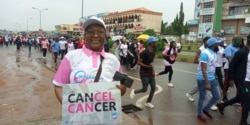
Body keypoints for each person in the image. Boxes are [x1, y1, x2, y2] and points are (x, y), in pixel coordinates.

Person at [53, 16, 126, 104]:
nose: (95, 35)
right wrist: (69, 107)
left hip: (105, 116)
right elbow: (59, 86)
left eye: (100, 32)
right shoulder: (71, 57)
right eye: (91, 32)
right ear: (85, 36)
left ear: (105, 36)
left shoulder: (114, 60)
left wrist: (122, 90)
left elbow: (120, 86)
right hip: (77, 116)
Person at [219, 36, 250, 125]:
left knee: (239, 97)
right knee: (248, 99)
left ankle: (222, 105)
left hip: (248, 79)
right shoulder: (241, 52)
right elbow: (232, 65)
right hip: (242, 80)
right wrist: (231, 79)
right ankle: (243, 121)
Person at [196, 37, 221, 122]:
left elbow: (212, 66)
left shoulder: (213, 52)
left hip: (212, 78)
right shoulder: (205, 53)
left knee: (217, 95)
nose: (218, 45)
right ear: (213, 45)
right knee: (202, 97)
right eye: (217, 44)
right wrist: (207, 83)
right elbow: (203, 68)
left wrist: (214, 77)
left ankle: (206, 109)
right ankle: (199, 114)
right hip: (203, 79)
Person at [130, 36, 158, 108]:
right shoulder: (144, 52)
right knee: (144, 89)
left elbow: (151, 63)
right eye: (155, 42)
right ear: (151, 43)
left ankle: (148, 102)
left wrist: (153, 71)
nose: (156, 43)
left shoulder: (153, 52)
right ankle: (134, 91)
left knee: (153, 87)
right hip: (144, 73)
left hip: (150, 73)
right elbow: (138, 62)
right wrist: (147, 66)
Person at [221, 36, 243, 102]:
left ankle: (238, 99)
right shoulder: (229, 48)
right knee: (226, 84)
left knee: (239, 85)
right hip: (229, 68)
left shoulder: (239, 48)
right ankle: (224, 98)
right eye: (239, 41)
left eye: (241, 42)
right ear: (235, 41)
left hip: (238, 69)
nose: (240, 43)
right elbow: (230, 60)